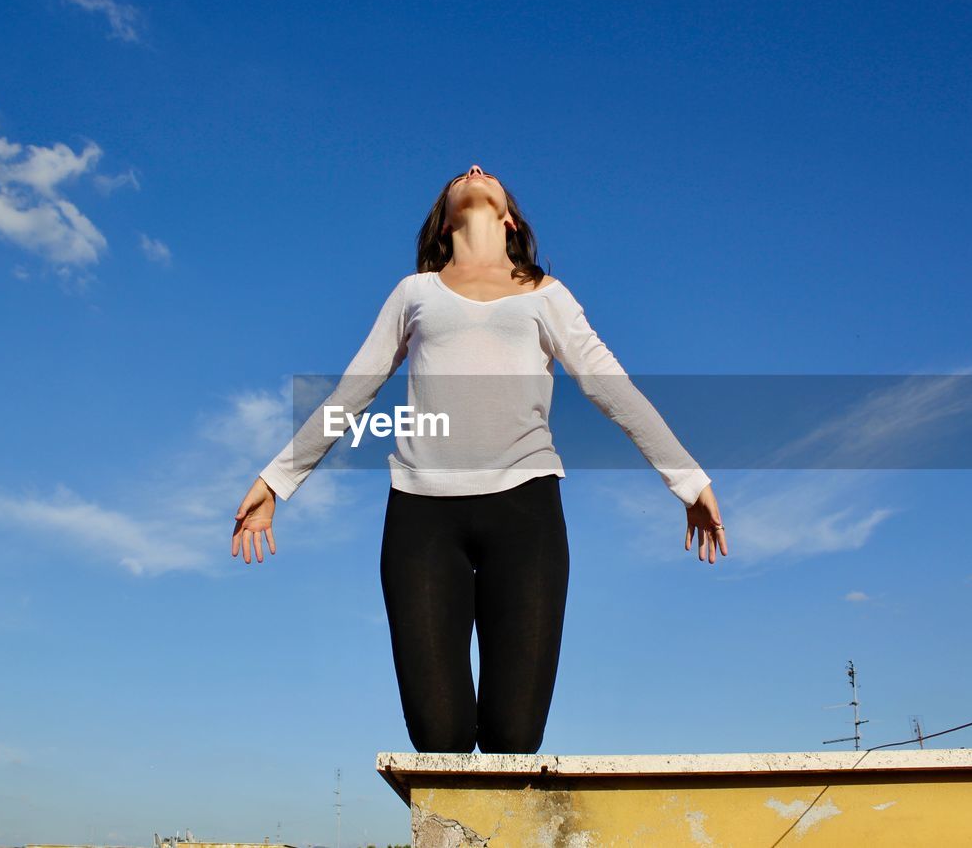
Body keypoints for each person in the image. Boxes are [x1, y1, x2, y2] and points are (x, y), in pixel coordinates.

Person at [230, 164, 728, 754]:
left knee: (515, 736)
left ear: (509, 218)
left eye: (486, 175)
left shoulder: (548, 295)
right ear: (444, 225)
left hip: (526, 514)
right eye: (460, 177)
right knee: (437, 738)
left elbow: (611, 387)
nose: (473, 169)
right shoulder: (414, 293)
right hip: (421, 518)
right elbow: (352, 392)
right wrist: (278, 477)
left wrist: (687, 478)